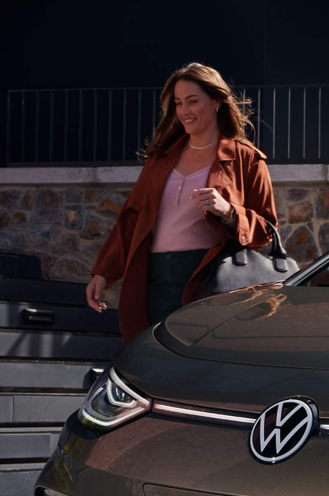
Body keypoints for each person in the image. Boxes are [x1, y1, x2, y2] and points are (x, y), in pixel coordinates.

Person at [85, 62, 277, 343]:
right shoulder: (160, 158)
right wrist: (103, 272)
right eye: (178, 103)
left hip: (210, 280)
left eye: (192, 101)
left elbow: (267, 229)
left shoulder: (246, 158)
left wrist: (229, 212)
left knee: (202, 366)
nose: (184, 111)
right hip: (155, 278)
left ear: (216, 101)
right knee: (154, 360)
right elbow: (131, 219)